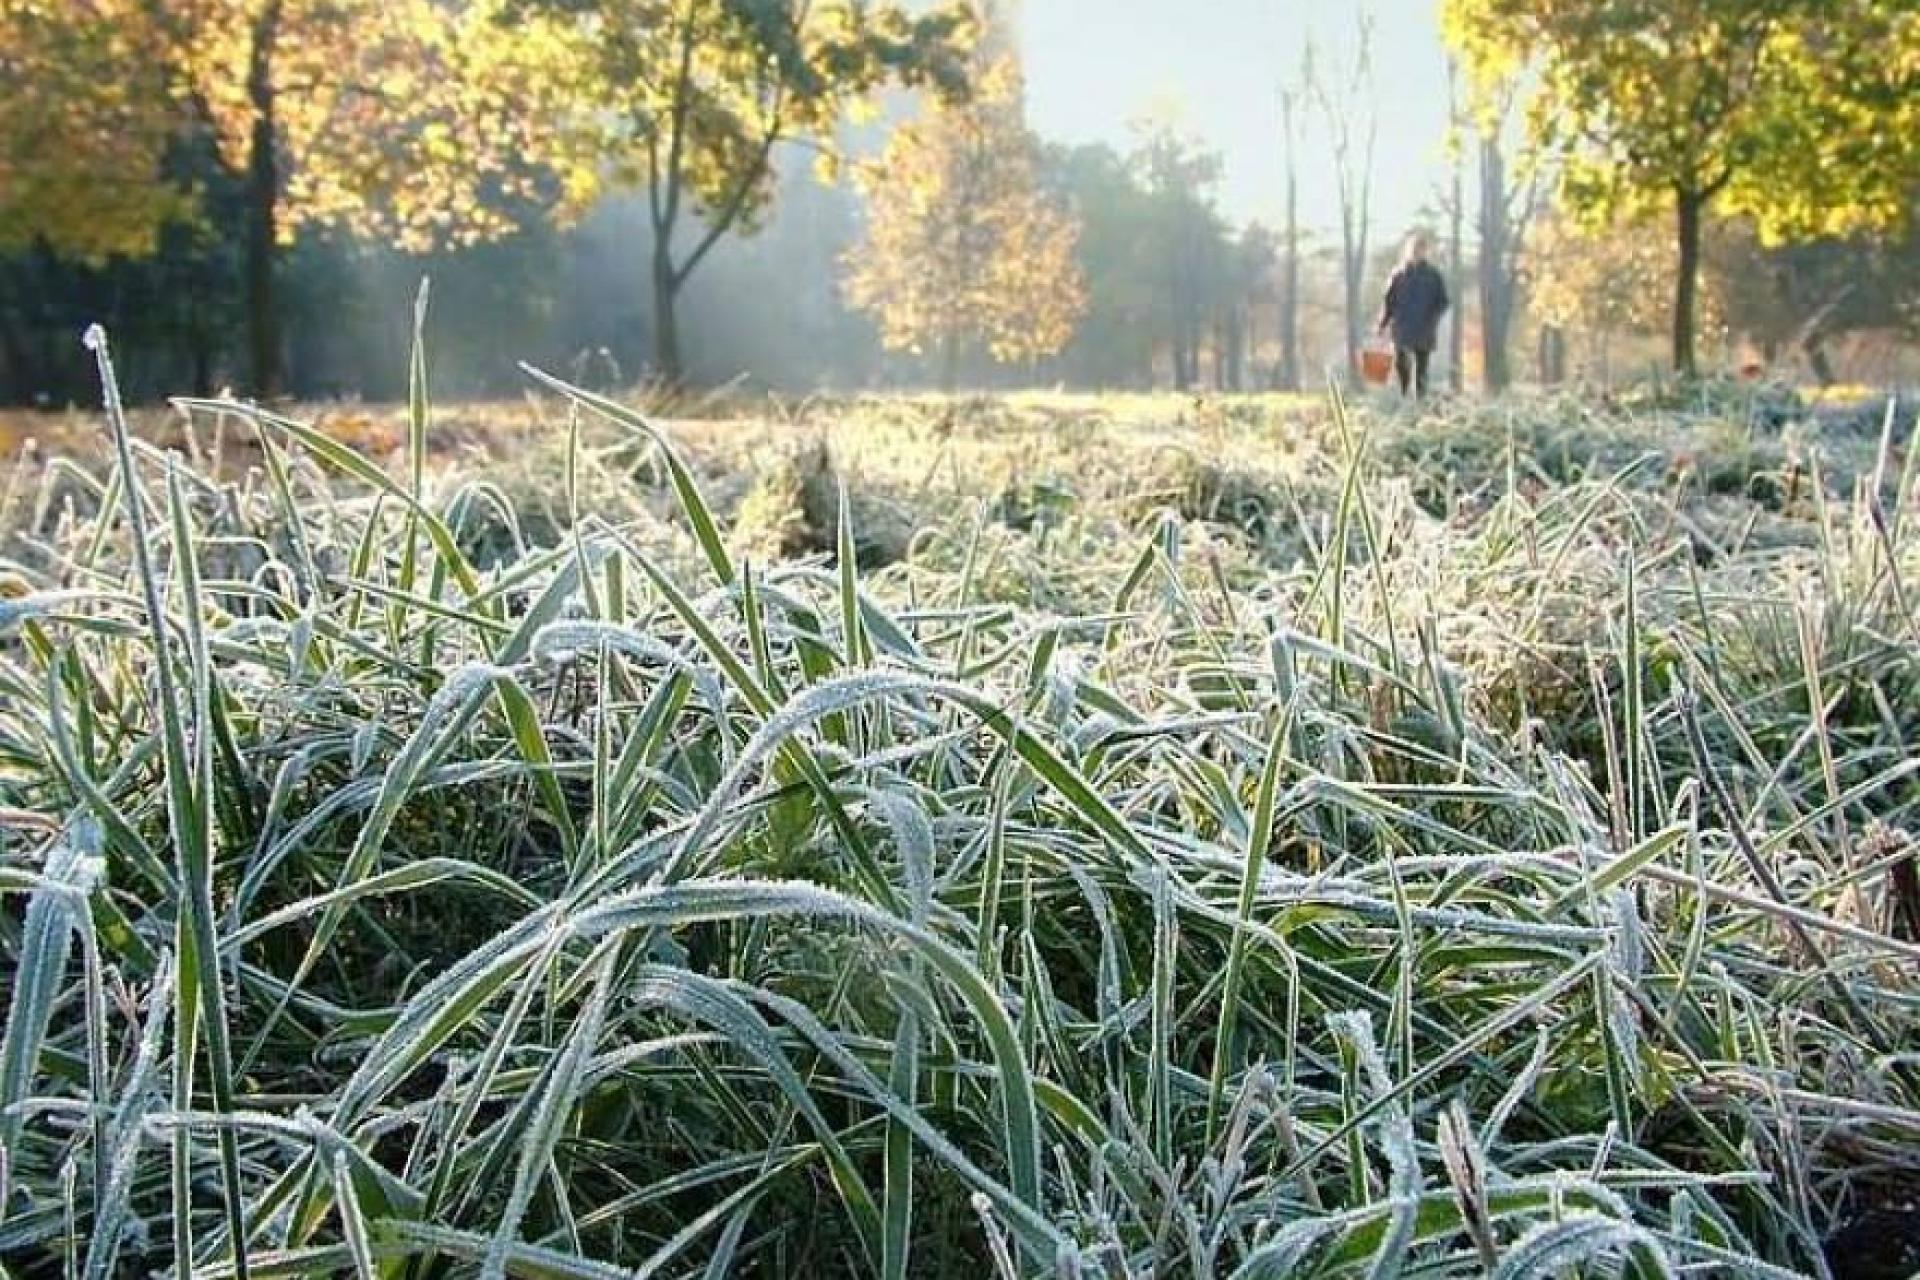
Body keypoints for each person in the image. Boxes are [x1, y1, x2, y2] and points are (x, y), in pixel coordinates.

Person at [1377, 232, 1450, 399]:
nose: (1417, 253)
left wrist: (1433, 318)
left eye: (1421, 249)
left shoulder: (1433, 276)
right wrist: (1382, 324)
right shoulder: (1399, 275)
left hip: (1424, 328)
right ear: (1408, 251)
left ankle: (1421, 400)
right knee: (1401, 364)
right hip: (1402, 327)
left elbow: (1443, 301)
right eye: (1414, 249)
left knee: (1422, 368)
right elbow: (1389, 301)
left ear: (1426, 252)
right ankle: (1404, 395)